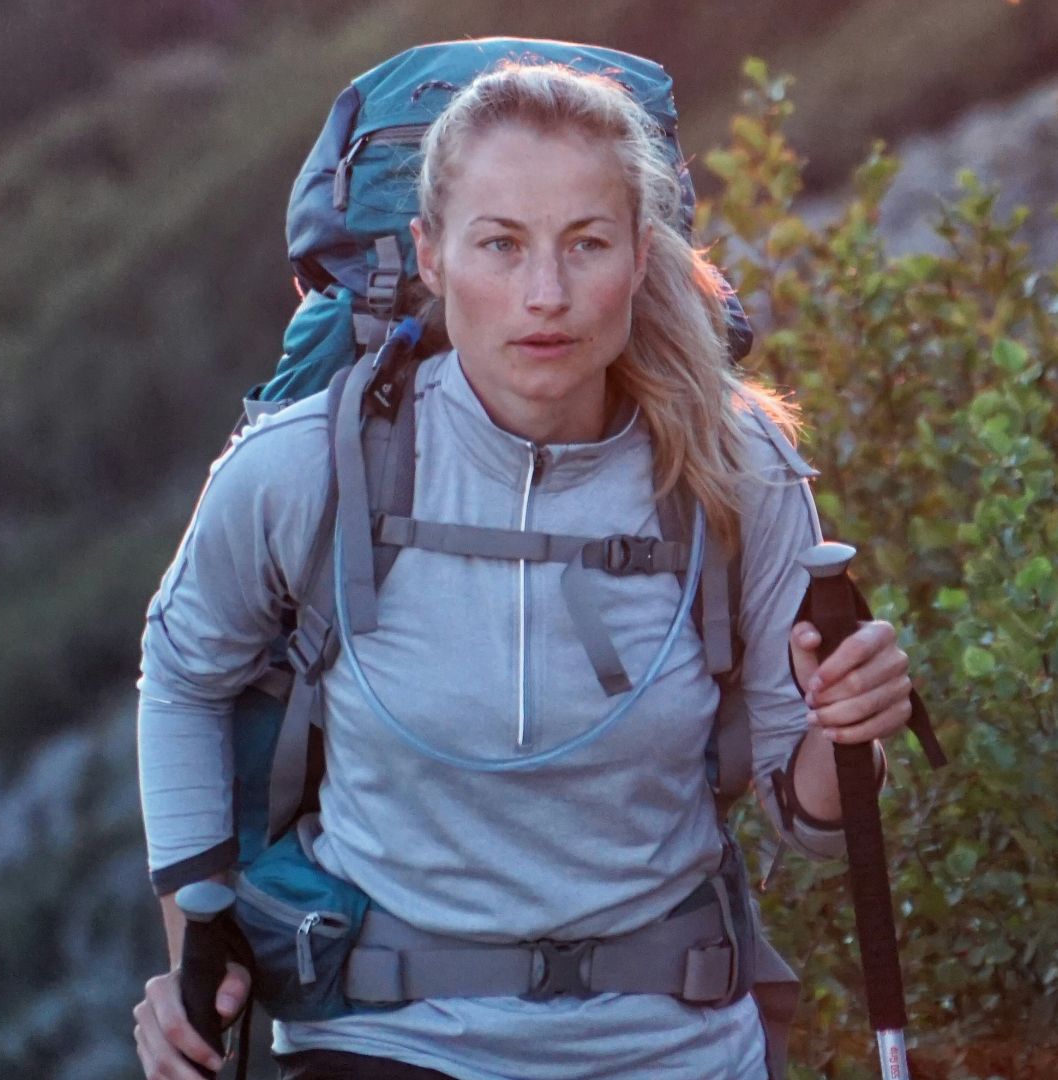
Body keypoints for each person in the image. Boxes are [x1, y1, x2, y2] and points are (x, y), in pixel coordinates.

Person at [131, 60, 918, 1080]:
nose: (544, 295)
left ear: (641, 257)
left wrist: (847, 729)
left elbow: (809, 821)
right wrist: (194, 929)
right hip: (380, 1041)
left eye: (586, 244)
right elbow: (184, 667)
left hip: (672, 1047)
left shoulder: (736, 471)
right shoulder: (308, 465)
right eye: (500, 245)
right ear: (432, 255)